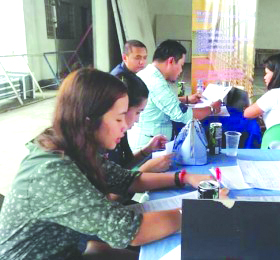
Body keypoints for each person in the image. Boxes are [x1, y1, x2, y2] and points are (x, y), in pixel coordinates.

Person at [0, 68, 213, 259]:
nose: (127, 126)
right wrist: (200, 212)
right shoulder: (52, 171)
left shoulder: (75, 146)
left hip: (71, 248)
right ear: (89, 121)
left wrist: (183, 178)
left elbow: (127, 180)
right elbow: (130, 232)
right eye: (119, 118)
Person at [130, 39, 221, 150]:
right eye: (181, 65)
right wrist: (212, 109)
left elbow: (158, 102)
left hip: (149, 142)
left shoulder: (149, 74)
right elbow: (184, 115)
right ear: (171, 61)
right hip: (147, 149)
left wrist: (186, 99)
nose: (181, 70)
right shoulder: (156, 83)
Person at [108, 71, 172, 173]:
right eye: (137, 112)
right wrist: (144, 170)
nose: (137, 120)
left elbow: (122, 168)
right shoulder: (104, 142)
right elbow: (112, 185)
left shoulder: (118, 134)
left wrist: (147, 150)